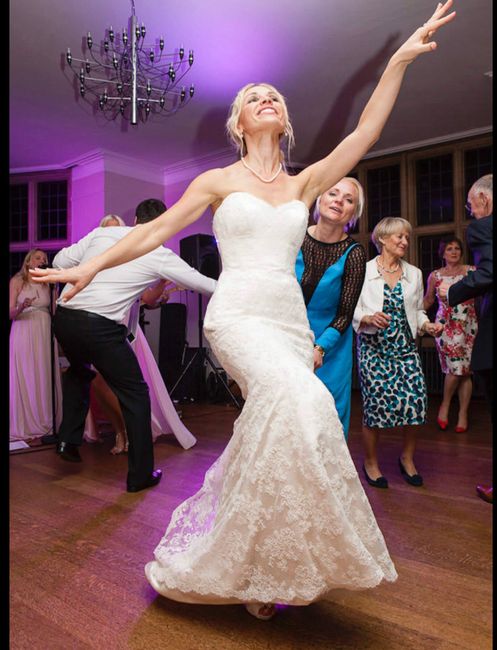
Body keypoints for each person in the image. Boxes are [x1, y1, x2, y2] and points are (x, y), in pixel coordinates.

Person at [32, 2, 455, 619]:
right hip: (236, 315)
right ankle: (251, 557)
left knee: (284, 420)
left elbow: (365, 133)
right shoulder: (216, 182)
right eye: (254, 96)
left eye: (273, 96)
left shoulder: (304, 183)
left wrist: (398, 62)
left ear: (284, 120)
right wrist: (90, 266)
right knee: (300, 400)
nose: (266, 99)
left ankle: (262, 562)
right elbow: (153, 234)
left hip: (288, 323)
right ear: (239, 122)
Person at [48, 201, 217, 494]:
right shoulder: (159, 253)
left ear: (135, 218)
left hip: (64, 318)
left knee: (79, 369)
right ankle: (140, 475)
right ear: (164, 223)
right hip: (98, 327)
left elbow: (60, 261)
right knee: (136, 395)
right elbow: (205, 284)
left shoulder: (102, 234)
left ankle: (67, 440)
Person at [85, 209, 197, 454]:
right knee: (99, 381)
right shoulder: (92, 260)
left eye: (116, 229)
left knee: (124, 387)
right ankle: (121, 431)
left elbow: (148, 299)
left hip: (127, 330)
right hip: (99, 328)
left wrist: (162, 283)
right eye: (106, 230)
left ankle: (131, 432)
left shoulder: (131, 260)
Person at [353, 217, 444, 489]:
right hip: (374, 349)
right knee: (375, 408)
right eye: (399, 237)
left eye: (407, 237)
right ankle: (371, 463)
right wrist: (367, 318)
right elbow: (351, 307)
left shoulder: (414, 273)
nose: (405, 241)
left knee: (416, 403)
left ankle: (407, 459)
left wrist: (427, 325)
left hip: (405, 350)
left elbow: (417, 310)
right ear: (382, 238)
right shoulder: (363, 271)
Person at [296, 177, 366, 440]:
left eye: (349, 200)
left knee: (326, 421)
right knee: (290, 416)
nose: (339, 201)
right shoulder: (295, 237)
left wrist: (320, 348)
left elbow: (345, 313)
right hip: (289, 338)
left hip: (330, 348)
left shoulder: (355, 253)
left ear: (353, 212)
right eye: (333, 193)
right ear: (320, 199)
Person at [438, 174, 493, 504]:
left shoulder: (484, 227)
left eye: (472, 206)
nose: (472, 213)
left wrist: (452, 291)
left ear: (484, 200)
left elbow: (488, 273)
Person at [423, 236, 477, 433]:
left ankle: (463, 413)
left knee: (466, 372)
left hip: (469, 326)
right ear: (443, 253)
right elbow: (428, 300)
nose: (454, 252)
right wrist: (413, 317)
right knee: (454, 369)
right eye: (449, 249)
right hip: (446, 327)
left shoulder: (472, 272)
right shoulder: (435, 276)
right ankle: (445, 405)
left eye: (457, 248)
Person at [9, 248, 63, 442]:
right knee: (27, 373)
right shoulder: (17, 281)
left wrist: (56, 290)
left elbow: (55, 312)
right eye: (38, 258)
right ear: (28, 262)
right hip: (24, 329)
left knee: (43, 373)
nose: (42, 261)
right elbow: (10, 313)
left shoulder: (48, 284)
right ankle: (26, 422)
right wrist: (21, 306)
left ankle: (45, 420)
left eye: (44, 258)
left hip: (44, 330)